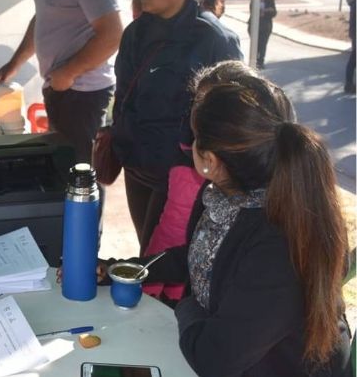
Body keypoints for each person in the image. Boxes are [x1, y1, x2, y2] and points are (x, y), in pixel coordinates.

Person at [108, 62, 352, 375]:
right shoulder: (225, 197)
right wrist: (126, 268)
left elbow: (215, 359)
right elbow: (202, 256)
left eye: (196, 135)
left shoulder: (279, 244)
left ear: (209, 160)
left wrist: (185, 306)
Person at [111, 0, 242, 255]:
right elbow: (124, 96)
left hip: (183, 176)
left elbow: (232, 120)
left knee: (166, 261)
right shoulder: (135, 33)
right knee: (148, 252)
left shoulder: (215, 40)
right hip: (137, 165)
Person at [0, 0, 123, 164]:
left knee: (80, 175)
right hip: (62, 88)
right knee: (62, 172)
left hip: (83, 94)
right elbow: (44, 16)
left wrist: (69, 73)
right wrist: (15, 63)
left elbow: (112, 35)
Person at [248, 0, 277, 69]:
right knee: (255, 44)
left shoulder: (270, 0)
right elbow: (252, 11)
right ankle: (254, 61)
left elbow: (274, 12)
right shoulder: (254, 0)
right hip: (254, 25)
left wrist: (266, 11)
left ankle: (261, 61)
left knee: (263, 44)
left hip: (266, 26)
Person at [346, 0, 355, 94]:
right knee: (353, 61)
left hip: (354, 34)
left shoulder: (353, 2)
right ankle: (349, 85)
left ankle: (349, 84)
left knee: (353, 61)